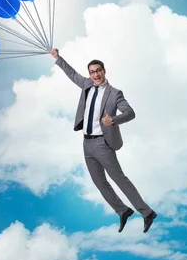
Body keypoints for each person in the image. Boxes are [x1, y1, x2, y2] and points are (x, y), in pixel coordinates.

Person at [50, 48, 157, 233]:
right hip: (86, 143)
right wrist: (57, 58)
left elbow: (130, 113)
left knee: (119, 179)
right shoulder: (86, 84)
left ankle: (147, 212)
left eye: (98, 70)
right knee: (99, 182)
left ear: (104, 71)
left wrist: (112, 120)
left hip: (103, 143)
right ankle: (122, 210)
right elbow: (72, 73)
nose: (95, 75)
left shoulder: (115, 93)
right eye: (92, 72)